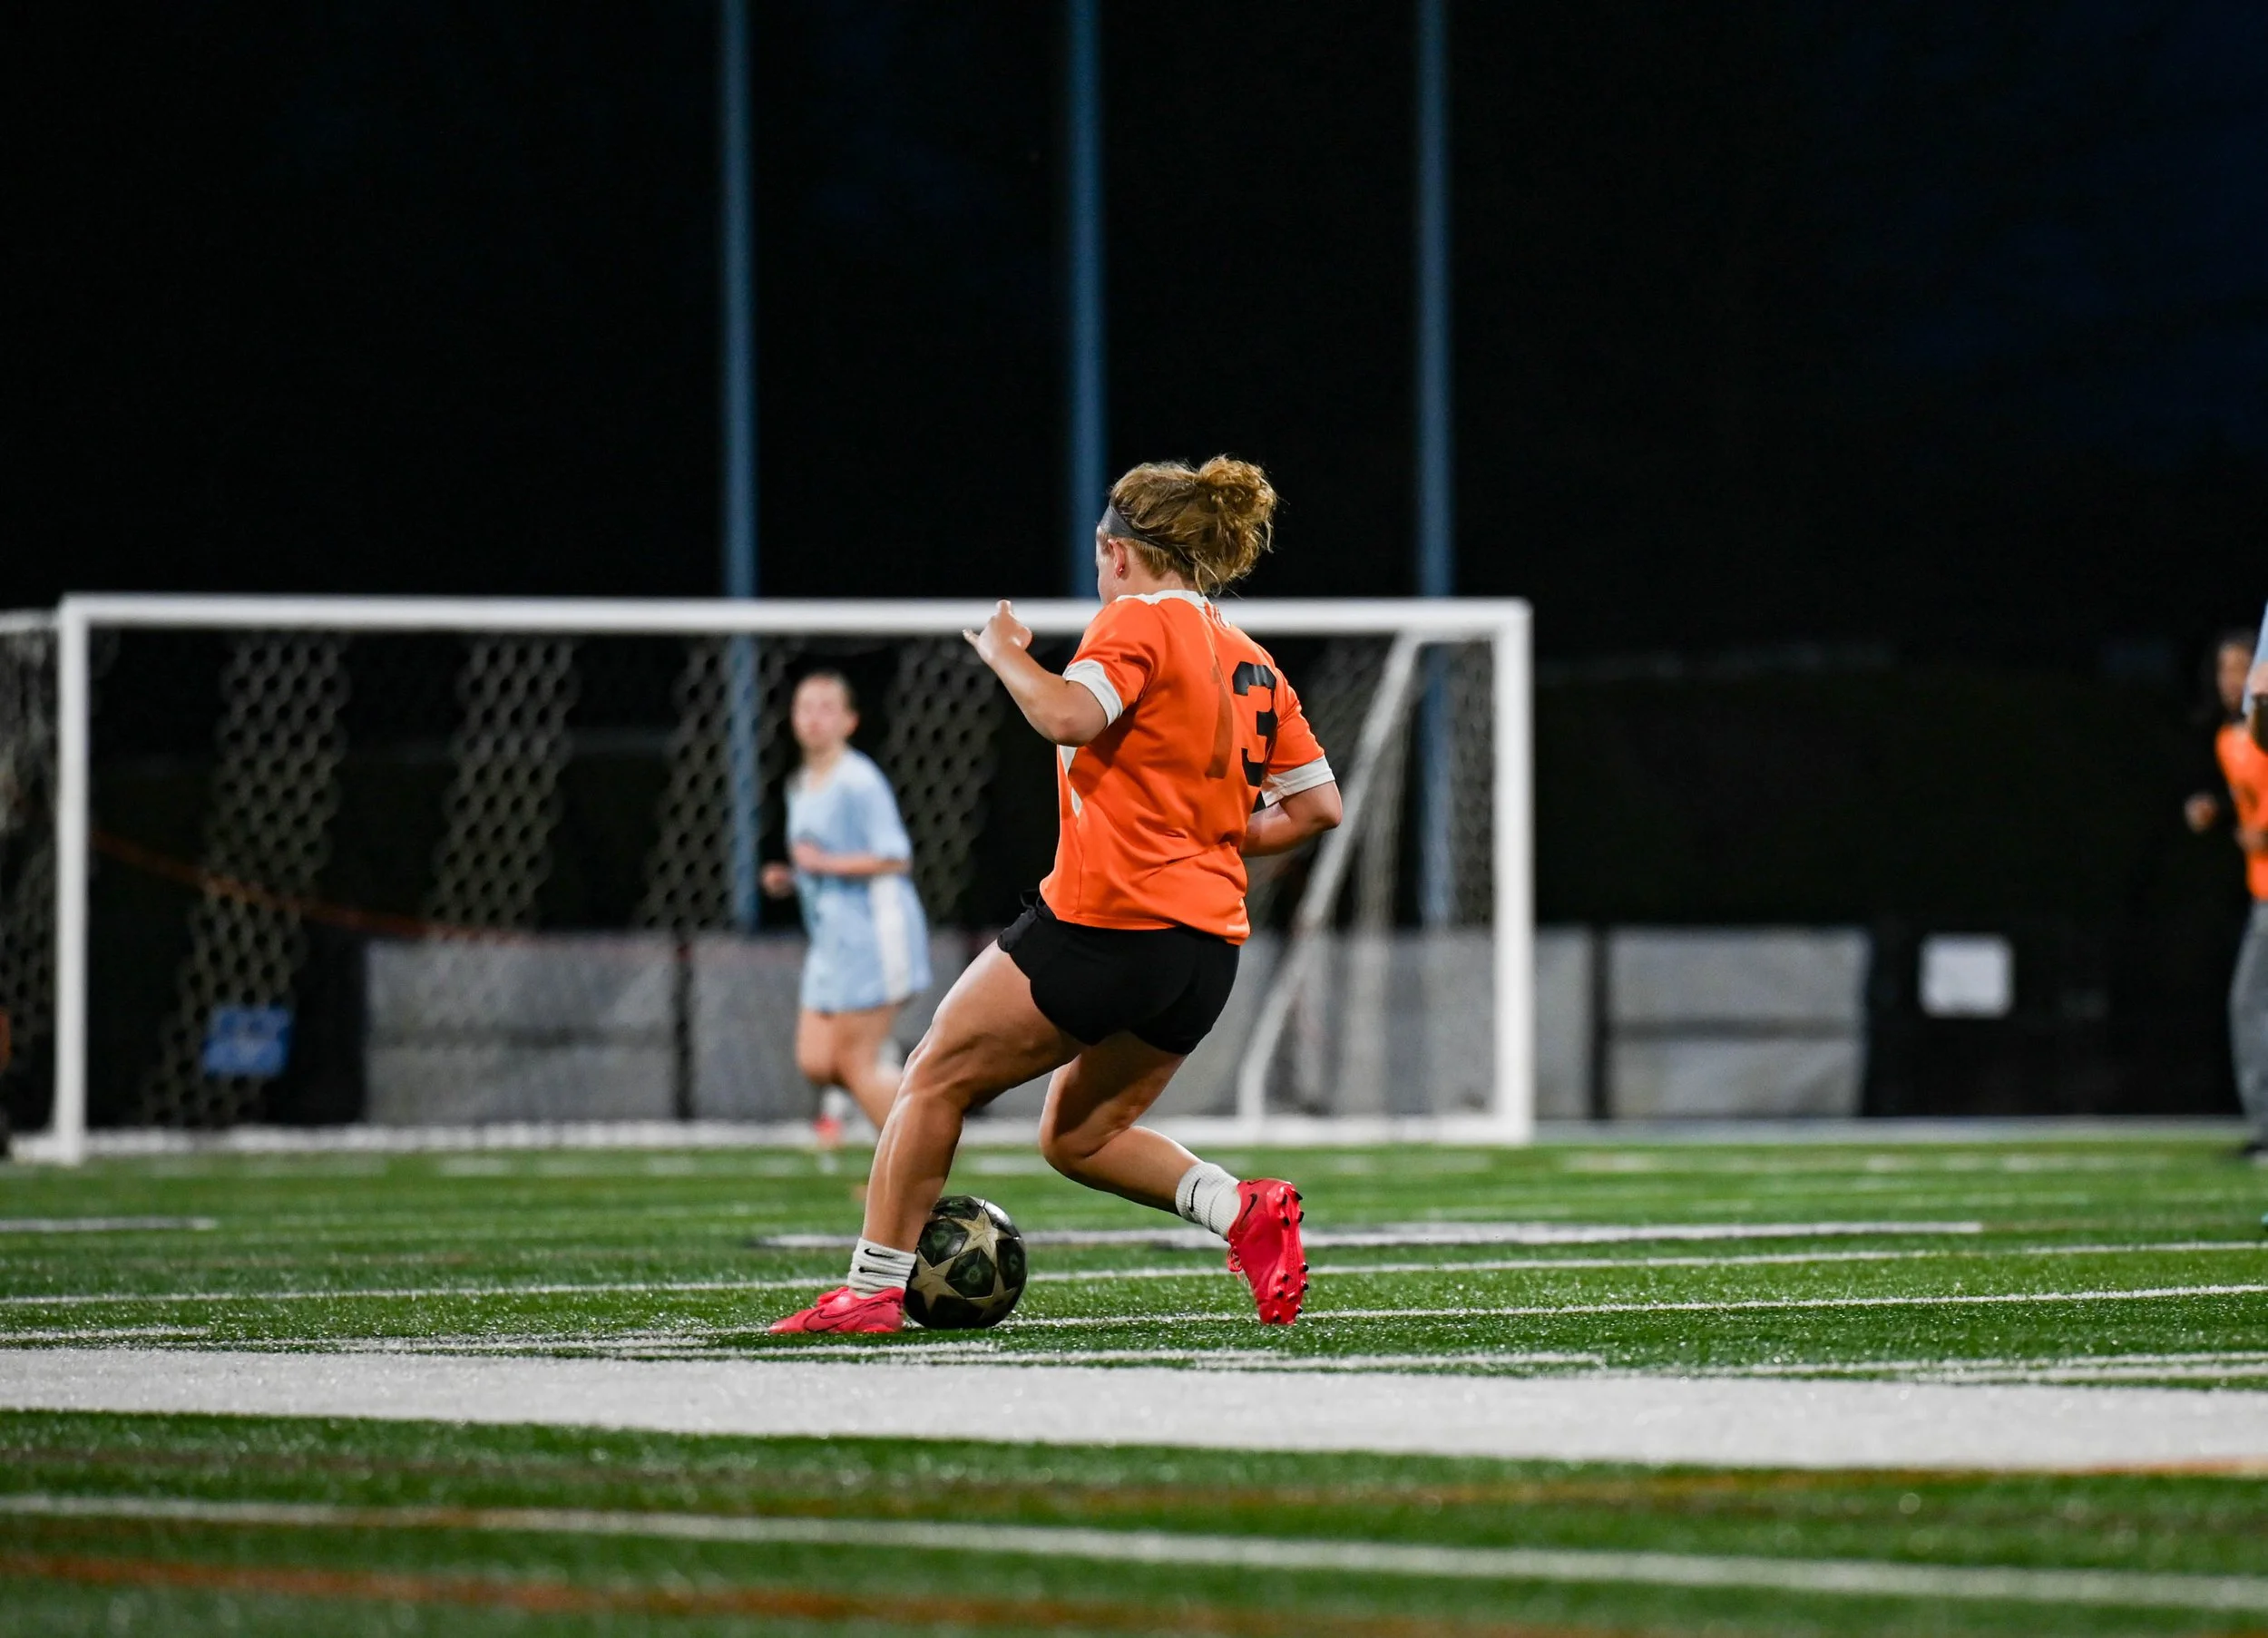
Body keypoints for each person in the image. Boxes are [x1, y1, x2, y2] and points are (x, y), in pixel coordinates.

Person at [771, 455, 1344, 1334]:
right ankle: (1241, 1211)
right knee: (1078, 1138)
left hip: (1108, 923)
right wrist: (1217, 834)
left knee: (930, 1079)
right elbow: (1315, 808)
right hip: (1204, 951)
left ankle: (873, 1290)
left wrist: (1007, 656)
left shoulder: (1134, 622)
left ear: (1118, 552)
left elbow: (1069, 715)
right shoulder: (1251, 660)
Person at [759, 669, 931, 1146]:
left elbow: (895, 857)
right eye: (805, 707)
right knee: (817, 1061)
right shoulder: (801, 783)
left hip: (873, 935)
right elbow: (820, 862)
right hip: (830, 943)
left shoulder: (859, 780)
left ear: (850, 721)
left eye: (826, 708)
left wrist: (825, 864)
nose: (814, 719)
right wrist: (794, 876)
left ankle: (913, 1166)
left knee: (856, 1064)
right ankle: (919, 1108)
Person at [2184, 631, 2268, 1159]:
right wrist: (2211, 810)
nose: (2233, 679)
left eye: (2244, 667)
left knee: (2249, 1003)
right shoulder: (2227, 739)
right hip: (2261, 890)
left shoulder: (2255, 732)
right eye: (2226, 670)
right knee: (2250, 1006)